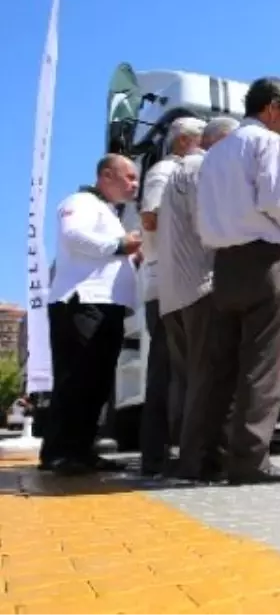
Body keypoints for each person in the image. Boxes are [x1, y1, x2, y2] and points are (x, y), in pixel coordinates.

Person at [194, 76, 280, 485]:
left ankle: (200, 459)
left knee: (219, 367)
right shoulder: (268, 142)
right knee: (263, 364)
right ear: (271, 108)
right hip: (264, 259)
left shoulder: (214, 154)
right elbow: (272, 199)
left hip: (224, 263)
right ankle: (249, 461)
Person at [38, 155, 141, 475]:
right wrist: (121, 245)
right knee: (76, 377)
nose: (134, 184)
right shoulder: (81, 201)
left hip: (105, 305)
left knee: (96, 381)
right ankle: (58, 453)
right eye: (130, 177)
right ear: (106, 175)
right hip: (81, 303)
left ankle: (80, 450)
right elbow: (74, 236)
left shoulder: (109, 213)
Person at [154, 117, 238, 479]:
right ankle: (199, 462)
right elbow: (211, 227)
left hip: (173, 291)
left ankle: (187, 456)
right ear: (219, 142)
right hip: (201, 287)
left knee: (188, 380)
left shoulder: (178, 170)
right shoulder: (204, 168)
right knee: (209, 379)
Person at [138, 116, 206, 472]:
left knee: (179, 370)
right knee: (166, 370)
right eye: (203, 143)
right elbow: (149, 217)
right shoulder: (165, 171)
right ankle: (155, 455)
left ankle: (166, 452)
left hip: (173, 280)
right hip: (164, 282)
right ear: (184, 143)